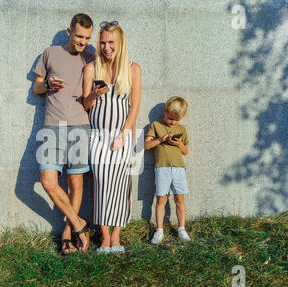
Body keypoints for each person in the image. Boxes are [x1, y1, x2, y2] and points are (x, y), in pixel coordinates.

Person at [32, 13, 94, 253]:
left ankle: (67, 233)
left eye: (87, 38)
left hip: (80, 125)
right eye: (79, 36)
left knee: (75, 182)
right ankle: (80, 224)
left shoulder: (91, 57)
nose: (82, 42)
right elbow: (37, 87)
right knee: (47, 180)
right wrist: (48, 84)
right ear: (69, 32)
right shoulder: (49, 53)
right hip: (52, 126)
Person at [82, 21, 141, 254]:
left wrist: (124, 135)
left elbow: (135, 106)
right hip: (98, 137)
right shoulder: (91, 68)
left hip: (123, 135)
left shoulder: (133, 68)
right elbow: (86, 104)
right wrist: (94, 95)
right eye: (103, 42)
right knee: (102, 184)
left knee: (121, 185)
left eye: (111, 42)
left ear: (120, 43)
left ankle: (117, 235)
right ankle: (104, 237)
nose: (106, 47)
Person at [144, 96, 191, 243]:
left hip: (178, 168)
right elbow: (147, 146)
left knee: (179, 198)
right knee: (161, 199)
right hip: (162, 168)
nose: (172, 122)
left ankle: (182, 229)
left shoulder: (181, 129)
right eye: (170, 118)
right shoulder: (155, 125)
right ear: (164, 111)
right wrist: (161, 140)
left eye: (176, 120)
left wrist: (178, 144)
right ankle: (159, 230)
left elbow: (186, 151)